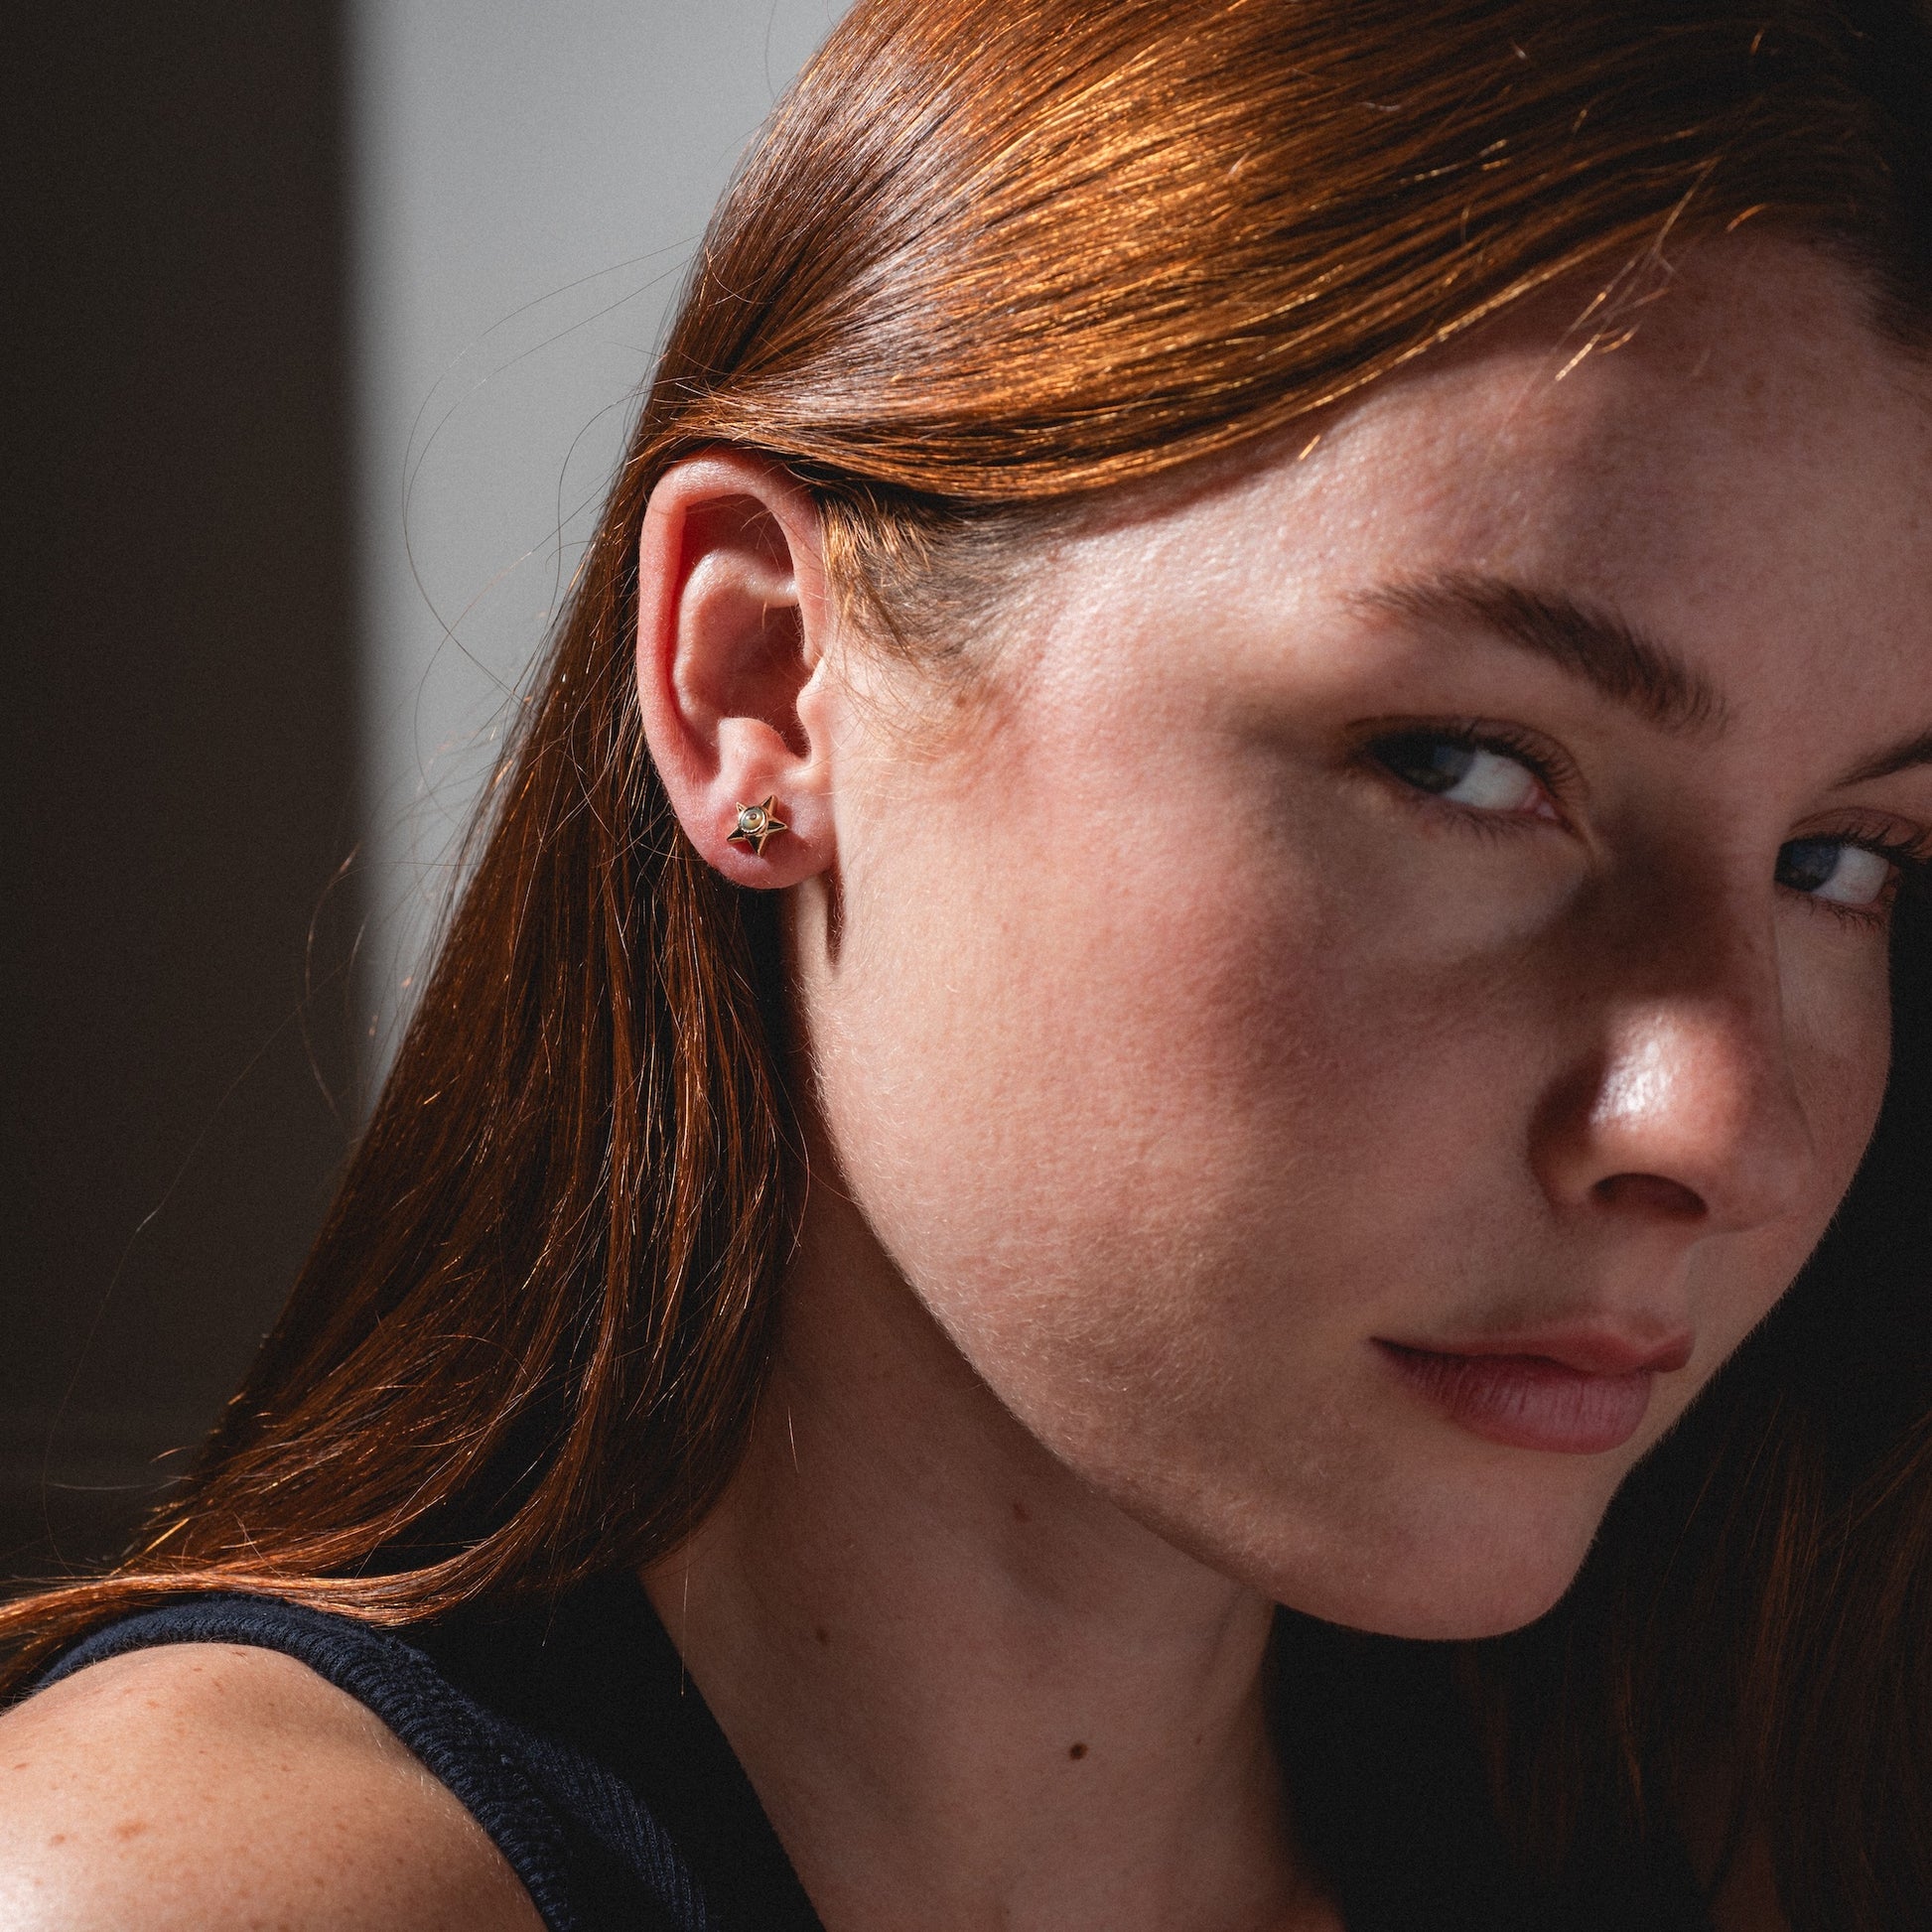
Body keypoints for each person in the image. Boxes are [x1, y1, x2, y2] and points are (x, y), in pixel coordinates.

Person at [4, 1, 1930, 1926]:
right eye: (1463, 763)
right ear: (760, 678)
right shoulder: (211, 1892)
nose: (1720, 1121)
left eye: (1839, 855)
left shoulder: (1733, 1830)